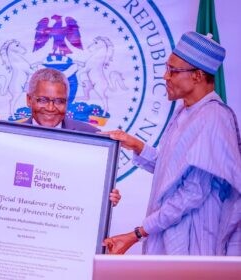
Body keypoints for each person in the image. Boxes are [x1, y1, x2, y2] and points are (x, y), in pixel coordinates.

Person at [103, 31, 241, 255]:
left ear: (197, 75)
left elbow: (192, 193)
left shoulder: (214, 117)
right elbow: (172, 174)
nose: (165, 77)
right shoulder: (185, 112)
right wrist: (136, 145)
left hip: (194, 242)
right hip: (167, 235)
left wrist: (137, 234)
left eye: (173, 71)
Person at [0, 68, 121, 205]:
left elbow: (93, 187)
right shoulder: (5, 137)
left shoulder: (92, 138)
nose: (50, 108)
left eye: (59, 101)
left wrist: (106, 199)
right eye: (42, 100)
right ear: (29, 100)